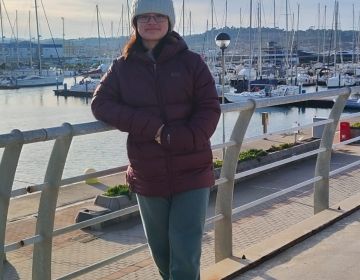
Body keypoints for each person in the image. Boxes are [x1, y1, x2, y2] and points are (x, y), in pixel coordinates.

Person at [91, 0, 221, 278]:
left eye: (159, 16)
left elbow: (209, 108)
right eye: (145, 16)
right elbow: (100, 104)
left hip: (193, 171)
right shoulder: (122, 67)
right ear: (135, 23)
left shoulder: (191, 63)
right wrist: (154, 128)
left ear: (170, 22)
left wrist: (180, 138)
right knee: (162, 253)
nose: (152, 22)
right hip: (148, 172)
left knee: (185, 257)